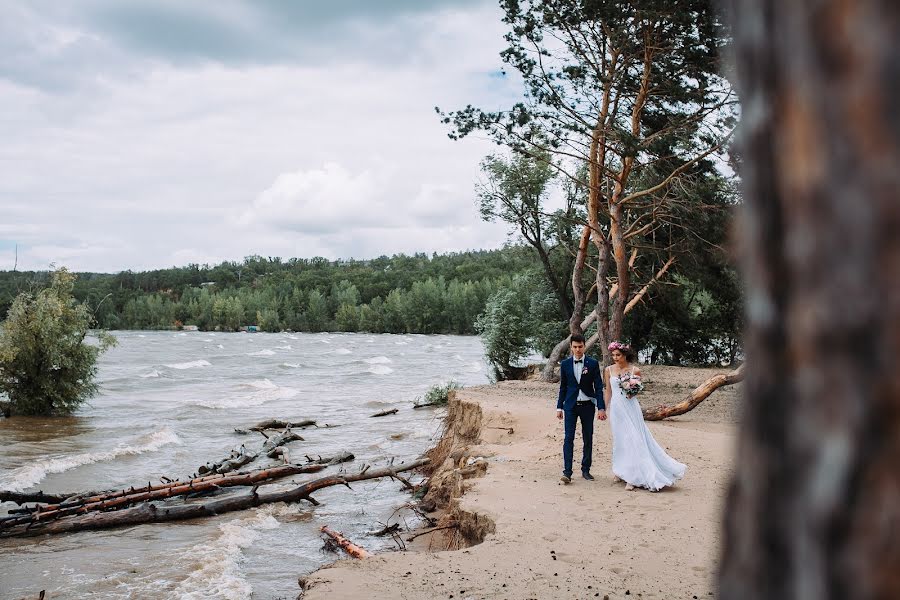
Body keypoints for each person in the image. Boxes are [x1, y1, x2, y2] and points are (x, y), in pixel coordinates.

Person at [604, 341, 686, 491]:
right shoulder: (608, 370)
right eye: (613, 355)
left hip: (630, 407)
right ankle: (620, 471)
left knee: (634, 439)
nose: (615, 358)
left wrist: (632, 390)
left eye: (618, 355)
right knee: (620, 440)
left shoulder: (635, 370)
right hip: (616, 409)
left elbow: (636, 390)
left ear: (625, 355)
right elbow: (608, 391)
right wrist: (603, 408)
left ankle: (633, 477)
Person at [556, 334, 606, 483]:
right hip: (570, 406)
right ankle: (567, 472)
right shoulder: (565, 364)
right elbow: (563, 387)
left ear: (584, 346)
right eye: (575, 347)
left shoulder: (592, 363)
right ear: (571, 347)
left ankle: (586, 470)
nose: (578, 349)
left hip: (588, 406)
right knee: (568, 438)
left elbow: (598, 386)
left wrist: (601, 407)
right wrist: (559, 407)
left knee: (588, 438)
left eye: (580, 346)